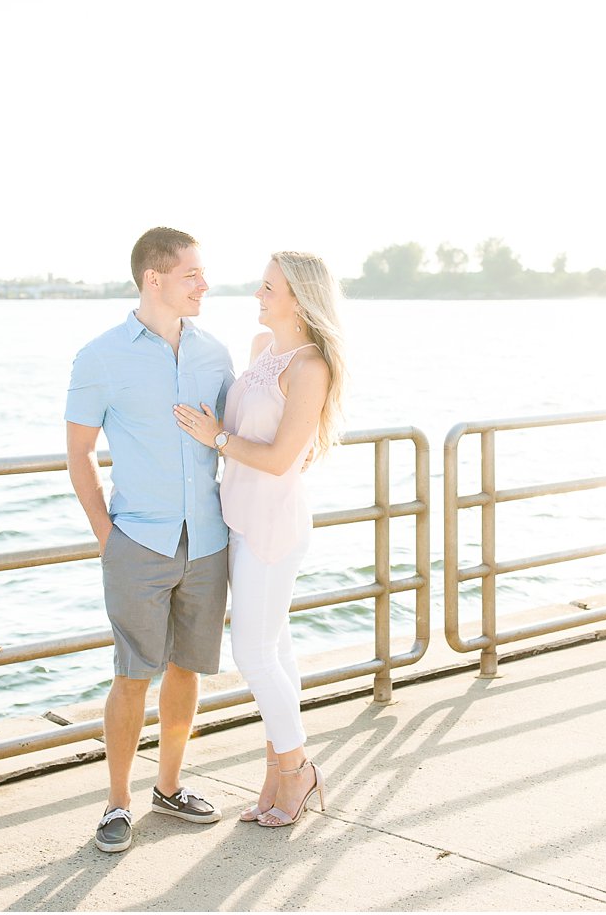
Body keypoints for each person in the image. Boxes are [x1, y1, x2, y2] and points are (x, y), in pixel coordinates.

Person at [65, 226, 234, 853]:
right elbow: (79, 455)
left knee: (188, 669)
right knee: (132, 673)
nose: (204, 285)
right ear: (153, 279)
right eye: (192, 275)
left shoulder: (217, 354)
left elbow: (231, 438)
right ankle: (116, 803)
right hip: (137, 540)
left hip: (210, 540)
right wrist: (107, 536)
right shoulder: (101, 356)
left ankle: (170, 786)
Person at [173, 250, 346, 829]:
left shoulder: (310, 367)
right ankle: (276, 774)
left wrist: (215, 438)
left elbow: (277, 460)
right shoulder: (259, 352)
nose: (257, 295)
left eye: (267, 287)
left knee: (252, 652)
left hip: (273, 524)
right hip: (239, 518)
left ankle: (297, 771)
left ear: (296, 297)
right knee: (277, 650)